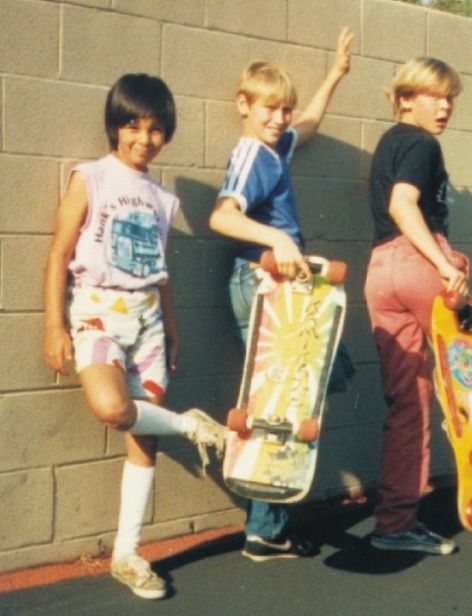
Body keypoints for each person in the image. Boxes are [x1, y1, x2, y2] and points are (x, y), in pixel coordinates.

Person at [43, 74, 227, 600]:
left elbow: (159, 269)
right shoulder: (91, 177)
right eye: (132, 125)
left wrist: (171, 327)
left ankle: (127, 554)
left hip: (148, 321)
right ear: (114, 126)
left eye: (155, 129)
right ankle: (192, 427)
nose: (143, 138)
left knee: (141, 439)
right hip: (98, 314)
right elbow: (59, 253)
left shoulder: (163, 201)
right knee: (111, 408)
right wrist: (54, 324)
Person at [209, 28, 354, 562]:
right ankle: (266, 530)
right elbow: (222, 215)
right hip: (263, 286)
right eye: (269, 108)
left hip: (285, 292)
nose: (279, 119)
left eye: (284, 109)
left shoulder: (275, 148)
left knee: (307, 388)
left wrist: (334, 76)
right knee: (286, 400)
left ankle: (266, 526)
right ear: (243, 105)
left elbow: (308, 130)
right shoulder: (252, 152)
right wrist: (276, 237)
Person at [364, 57, 469, 555]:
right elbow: (403, 205)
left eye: (450, 97)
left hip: (379, 274)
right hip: (415, 262)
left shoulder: (387, 142)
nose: (445, 106)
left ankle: (395, 524)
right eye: (434, 95)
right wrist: (445, 265)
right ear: (406, 99)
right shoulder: (423, 143)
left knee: (408, 402)